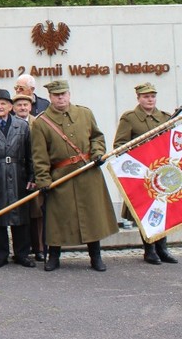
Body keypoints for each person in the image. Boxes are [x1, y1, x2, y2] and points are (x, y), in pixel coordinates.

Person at [31, 80, 118, 272]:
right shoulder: (41, 123)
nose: (60, 98)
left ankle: (96, 256)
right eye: (56, 95)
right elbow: (40, 156)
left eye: (63, 94)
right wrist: (43, 179)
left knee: (92, 216)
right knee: (57, 219)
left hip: (87, 173)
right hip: (60, 177)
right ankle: (54, 257)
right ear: (50, 98)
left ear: (69, 95)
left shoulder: (85, 114)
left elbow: (96, 137)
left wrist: (97, 153)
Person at [113, 82, 177, 265]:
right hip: (142, 173)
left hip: (162, 172)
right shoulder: (130, 118)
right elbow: (119, 146)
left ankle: (162, 248)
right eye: (146, 96)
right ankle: (149, 250)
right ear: (138, 98)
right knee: (146, 211)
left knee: (162, 209)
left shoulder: (165, 117)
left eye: (152, 96)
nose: (150, 100)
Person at [0, 90, 36, 269]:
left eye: (3, 103)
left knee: (21, 216)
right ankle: (1, 255)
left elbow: (31, 154)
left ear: (10, 107)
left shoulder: (22, 126)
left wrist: (31, 175)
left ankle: (22, 254)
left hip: (19, 173)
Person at [12, 94, 45, 261]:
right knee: (20, 212)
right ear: (14, 108)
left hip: (36, 172)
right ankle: (22, 248)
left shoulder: (39, 122)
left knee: (36, 213)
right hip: (17, 173)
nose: (23, 108)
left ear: (30, 107)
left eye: (25, 105)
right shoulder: (10, 123)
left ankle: (39, 247)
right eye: (19, 105)